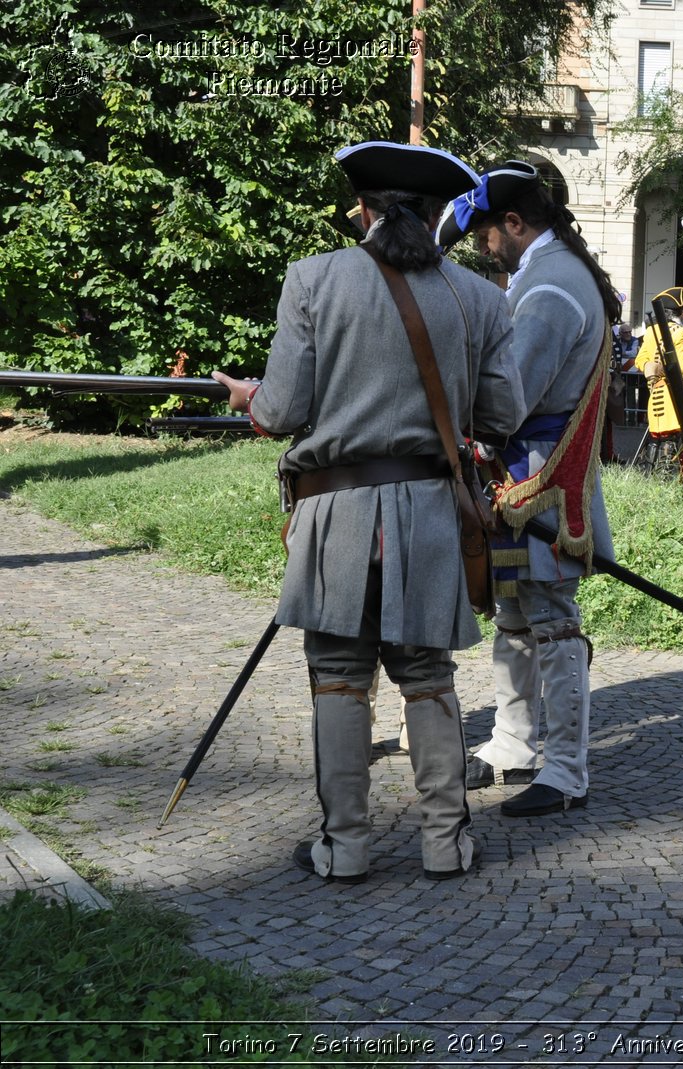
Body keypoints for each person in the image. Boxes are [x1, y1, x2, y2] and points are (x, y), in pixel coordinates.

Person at [212, 141, 525, 882]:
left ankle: (344, 847)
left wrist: (248, 397)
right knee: (428, 675)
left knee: (339, 677)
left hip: (336, 512)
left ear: (363, 210)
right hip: (428, 510)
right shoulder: (480, 298)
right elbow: (504, 412)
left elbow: (284, 408)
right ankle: (445, 843)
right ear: (437, 215)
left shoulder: (313, 279)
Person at [436, 160, 620, 818]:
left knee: (551, 622)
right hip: (520, 473)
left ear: (516, 224)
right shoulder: (548, 272)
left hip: (540, 477)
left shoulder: (549, 286)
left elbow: (510, 397)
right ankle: (515, 739)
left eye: (488, 233)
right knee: (513, 615)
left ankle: (566, 766)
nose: (485, 245)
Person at [634, 287, 683, 470]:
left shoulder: (650, 331)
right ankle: (664, 476)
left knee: (656, 434)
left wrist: (650, 369)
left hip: (654, 389)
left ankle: (650, 474)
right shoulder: (681, 332)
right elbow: (679, 366)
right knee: (670, 435)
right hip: (670, 391)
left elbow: (640, 360)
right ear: (679, 311)